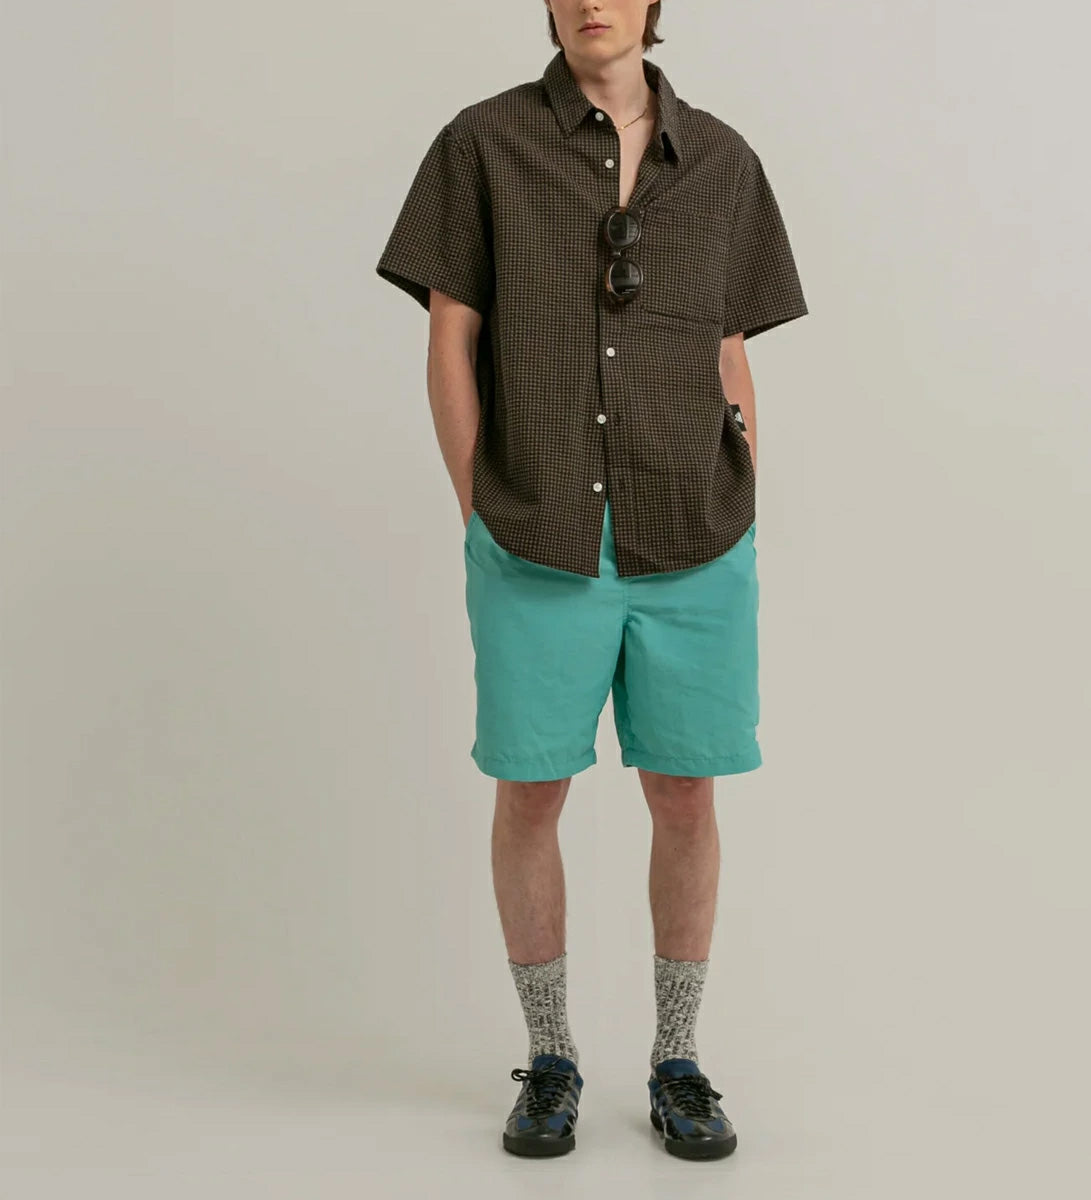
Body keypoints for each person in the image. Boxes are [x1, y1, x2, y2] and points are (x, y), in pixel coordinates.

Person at [375, 0, 808, 1162]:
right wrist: (479, 507)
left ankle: (679, 1060)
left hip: (694, 533)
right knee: (531, 792)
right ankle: (552, 1057)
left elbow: (730, 348)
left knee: (687, 795)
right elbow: (451, 335)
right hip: (536, 529)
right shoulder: (482, 143)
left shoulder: (722, 162)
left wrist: (744, 490)